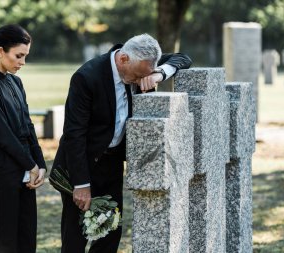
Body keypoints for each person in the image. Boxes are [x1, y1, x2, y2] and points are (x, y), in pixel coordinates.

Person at [52, 33, 192, 253]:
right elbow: (73, 134)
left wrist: (158, 74)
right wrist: (81, 184)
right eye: (137, 76)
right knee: (77, 234)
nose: (138, 81)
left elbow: (183, 58)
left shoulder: (143, 61)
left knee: (111, 231)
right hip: (82, 164)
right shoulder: (87, 77)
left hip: (112, 163)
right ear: (123, 59)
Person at [0, 24, 46, 253]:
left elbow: (27, 125)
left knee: (27, 241)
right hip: (2, 170)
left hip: (25, 167)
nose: (22, 62)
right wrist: (31, 165)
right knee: (7, 243)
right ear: (0, 51)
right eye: (19, 56)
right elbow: (3, 135)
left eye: (25, 56)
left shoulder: (15, 82)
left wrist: (40, 164)